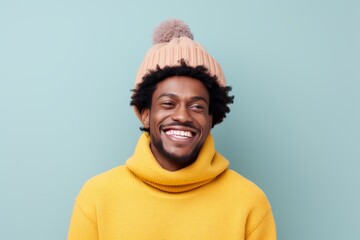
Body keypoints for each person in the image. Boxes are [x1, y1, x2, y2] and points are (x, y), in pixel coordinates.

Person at [68, 19, 276, 240]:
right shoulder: (97, 197)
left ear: (210, 119)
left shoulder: (249, 202)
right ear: (145, 114)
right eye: (168, 103)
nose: (182, 116)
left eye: (197, 106)